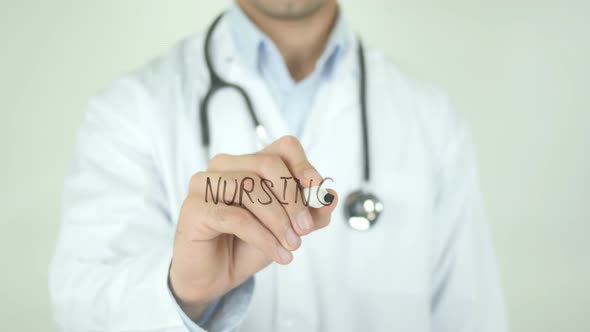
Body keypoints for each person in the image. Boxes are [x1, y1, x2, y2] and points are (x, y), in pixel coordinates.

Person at [49, 0, 508, 331]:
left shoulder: (430, 119)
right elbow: (79, 313)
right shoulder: (131, 111)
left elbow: (473, 318)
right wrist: (182, 292)